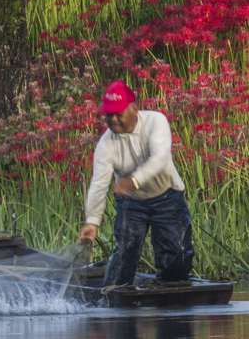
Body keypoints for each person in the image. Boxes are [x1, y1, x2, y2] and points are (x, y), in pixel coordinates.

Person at [78, 80, 194, 286]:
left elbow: (160, 159)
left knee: (177, 258)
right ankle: (113, 295)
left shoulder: (156, 121)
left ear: (134, 110)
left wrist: (133, 180)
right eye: (108, 115)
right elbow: (99, 184)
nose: (112, 119)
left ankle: (171, 295)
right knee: (126, 251)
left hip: (168, 198)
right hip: (132, 204)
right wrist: (92, 222)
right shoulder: (105, 144)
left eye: (118, 113)